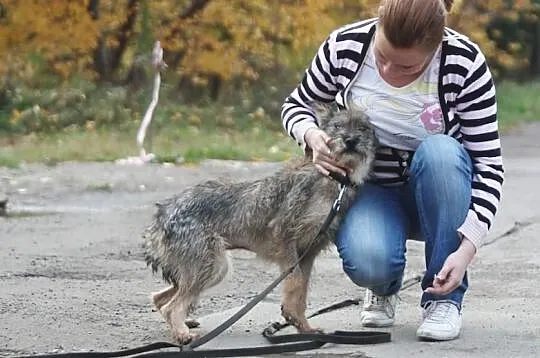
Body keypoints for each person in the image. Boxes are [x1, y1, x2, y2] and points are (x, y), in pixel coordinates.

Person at [280, 0, 504, 341]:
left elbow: (488, 165)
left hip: (438, 193)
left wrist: (466, 250)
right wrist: (310, 135)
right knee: (368, 263)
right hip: (371, 192)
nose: (387, 71)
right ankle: (383, 287)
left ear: (437, 45)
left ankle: (443, 298)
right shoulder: (346, 45)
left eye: (406, 67)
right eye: (382, 56)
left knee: (442, 151)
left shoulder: (463, 62)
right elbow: (298, 105)